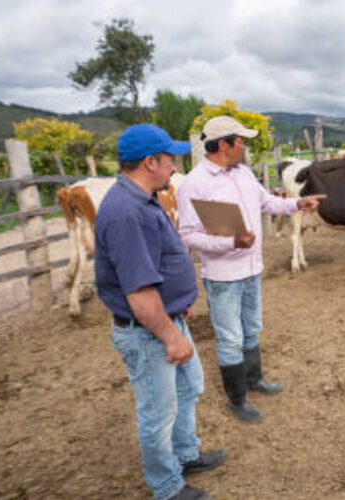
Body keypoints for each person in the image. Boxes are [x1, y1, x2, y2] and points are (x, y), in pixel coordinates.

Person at [95, 124, 224, 500]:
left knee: (188, 389)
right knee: (157, 412)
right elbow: (138, 291)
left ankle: (185, 454)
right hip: (150, 329)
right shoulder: (125, 212)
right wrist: (171, 336)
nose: (174, 165)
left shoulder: (141, 198)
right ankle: (167, 486)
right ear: (150, 162)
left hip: (167, 321)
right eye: (170, 158)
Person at [176, 116, 323, 423]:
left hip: (252, 267)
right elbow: (188, 235)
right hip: (223, 275)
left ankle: (254, 379)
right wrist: (232, 242)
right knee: (230, 337)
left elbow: (267, 202)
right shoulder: (194, 183)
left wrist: (297, 204)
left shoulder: (242, 173)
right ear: (223, 144)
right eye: (240, 140)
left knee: (252, 327)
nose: (244, 145)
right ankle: (237, 399)